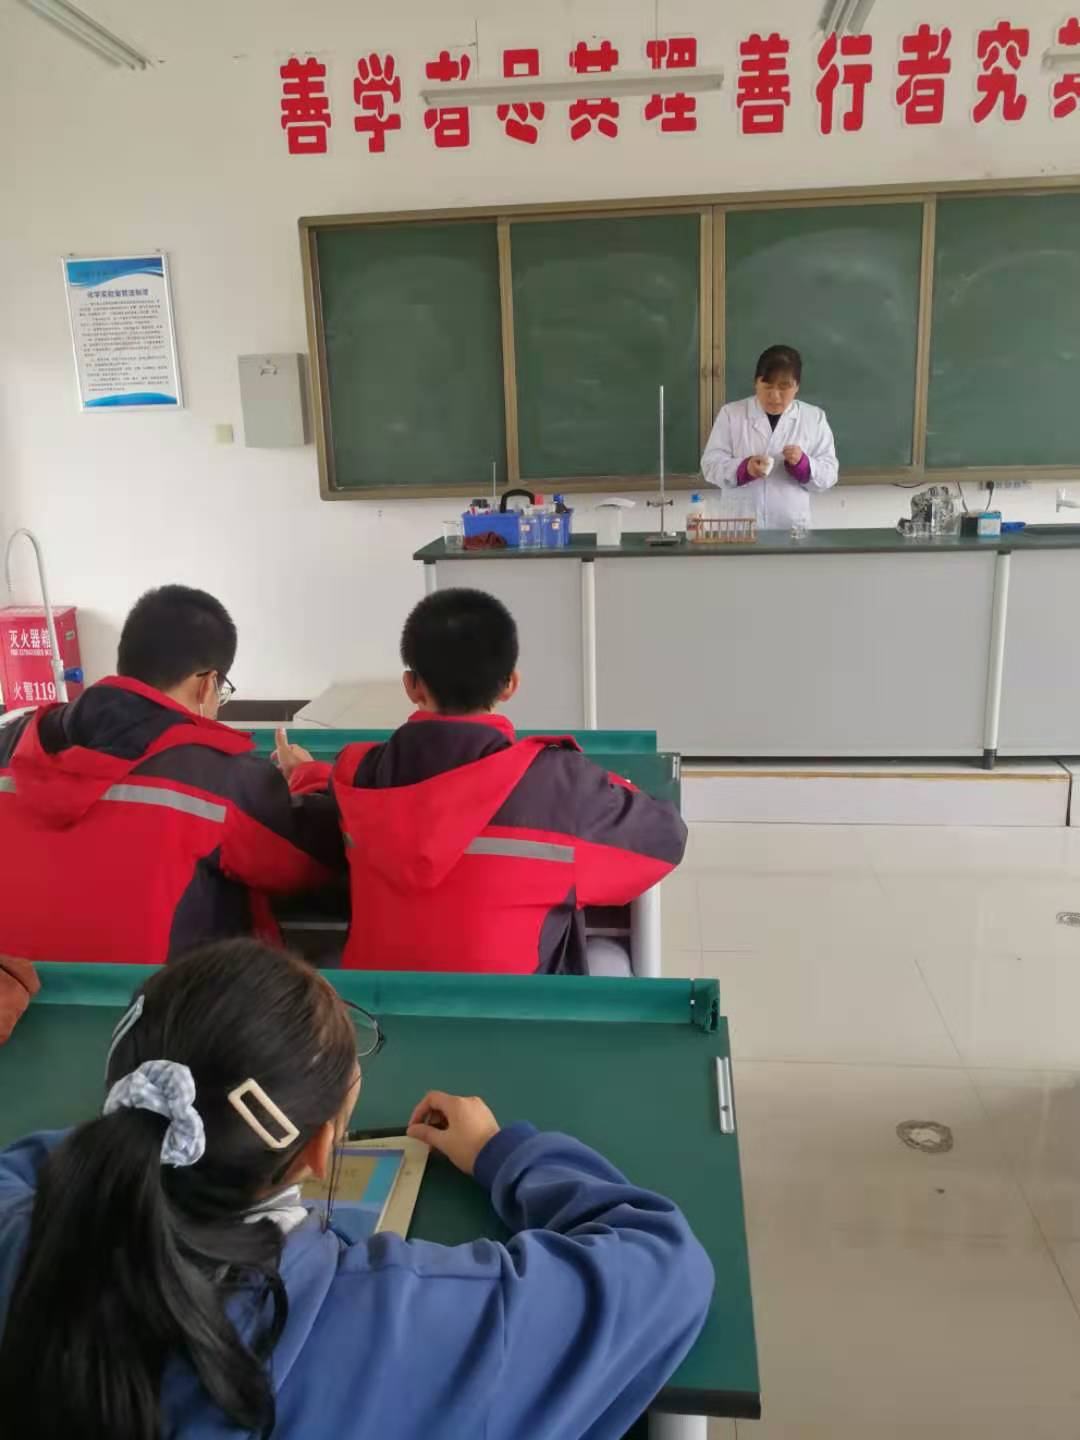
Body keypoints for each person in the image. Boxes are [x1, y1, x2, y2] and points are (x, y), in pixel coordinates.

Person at [0, 940, 714, 1439]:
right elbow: (666, 1263)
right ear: (319, 1150)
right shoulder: (410, 1323)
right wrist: (505, 1155)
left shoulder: (19, 1239)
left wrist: (138, 1134)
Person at [279, 588, 687, 975]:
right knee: (610, 958)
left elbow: (325, 808)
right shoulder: (560, 784)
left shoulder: (357, 775)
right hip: (515, 1016)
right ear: (510, 683)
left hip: (378, 1017)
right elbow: (665, 838)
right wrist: (599, 783)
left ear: (412, 686)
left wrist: (305, 774)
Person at [0, 585, 340, 967]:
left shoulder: (13, 742)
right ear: (207, 684)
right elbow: (313, 861)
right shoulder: (219, 777)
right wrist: (308, 775)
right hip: (162, 999)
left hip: (17, 993)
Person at [701, 343, 839, 530]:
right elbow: (710, 465)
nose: (774, 396)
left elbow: (829, 474)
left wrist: (803, 465)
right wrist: (744, 469)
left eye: (784, 387)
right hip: (741, 527)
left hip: (791, 527)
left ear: (797, 386)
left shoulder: (814, 418)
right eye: (767, 386)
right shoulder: (731, 414)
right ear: (756, 383)